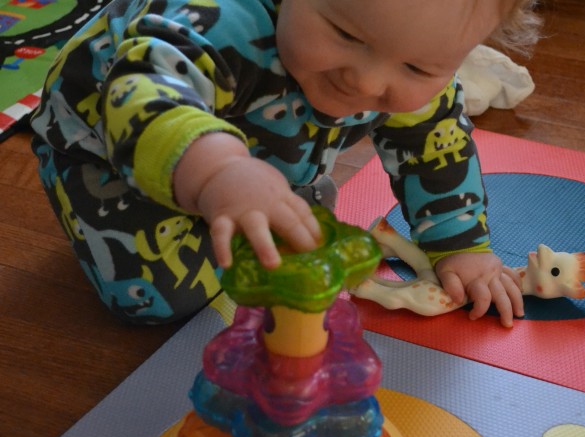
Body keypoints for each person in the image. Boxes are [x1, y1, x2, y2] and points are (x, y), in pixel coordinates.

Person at [31, 0, 541, 327]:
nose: (365, 83)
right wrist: (218, 173)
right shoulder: (217, 21)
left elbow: (436, 146)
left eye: (418, 67)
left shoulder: (407, 58)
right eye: (346, 35)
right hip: (108, 136)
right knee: (158, 301)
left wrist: (460, 246)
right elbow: (145, 100)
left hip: (250, 128)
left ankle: (251, 178)